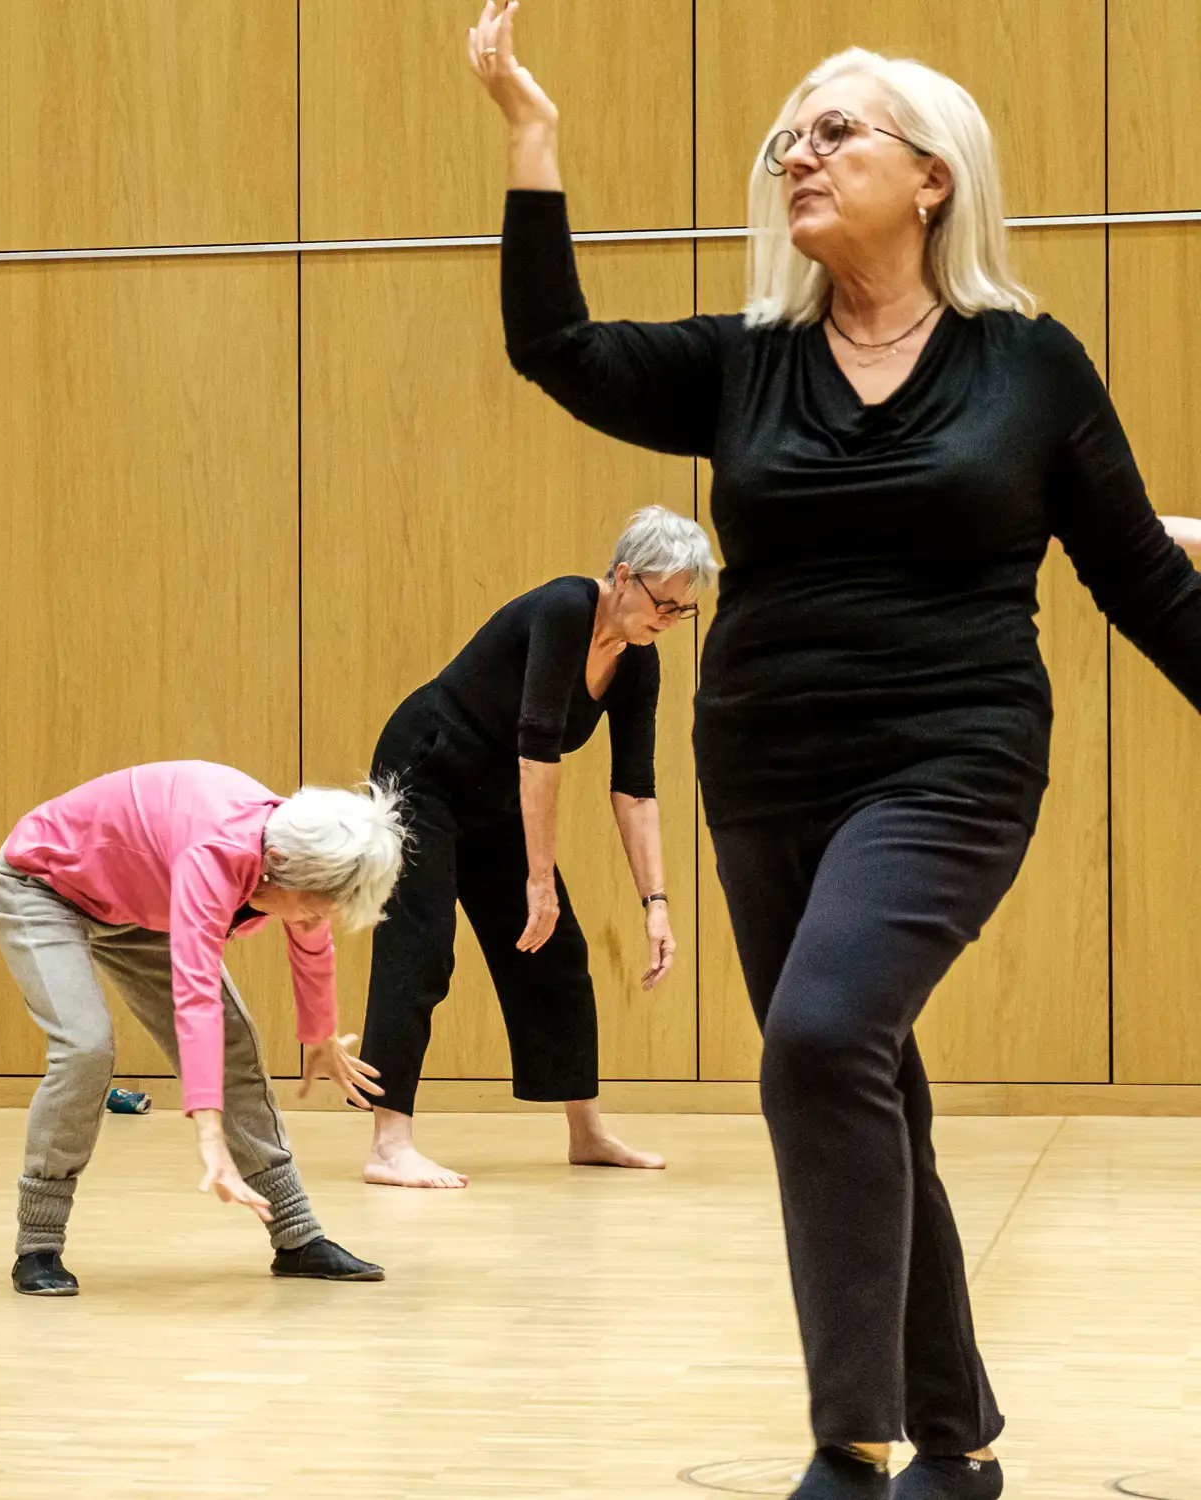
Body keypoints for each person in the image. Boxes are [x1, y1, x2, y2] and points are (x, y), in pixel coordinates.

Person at [468, 5, 1201, 1497]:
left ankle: (851, 1444)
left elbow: (1147, 584)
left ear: (933, 176)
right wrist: (528, 137)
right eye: (785, 139)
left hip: (953, 761)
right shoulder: (748, 361)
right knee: (865, 1076)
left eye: (835, 130)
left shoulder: (1029, 366)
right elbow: (553, 345)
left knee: (817, 1042)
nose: (796, 153)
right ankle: (960, 1442)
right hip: (767, 769)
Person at [360, 505, 717, 1188]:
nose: (667, 621)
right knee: (422, 943)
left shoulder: (639, 664)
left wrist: (658, 904)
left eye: (682, 613)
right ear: (622, 576)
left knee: (555, 947)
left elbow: (636, 788)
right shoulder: (562, 610)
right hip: (424, 769)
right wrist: (539, 877)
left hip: (496, 793)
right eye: (662, 603)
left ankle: (587, 1132)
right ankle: (388, 1142)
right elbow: (538, 751)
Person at [0, 761, 404, 1295]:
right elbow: (196, 999)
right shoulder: (216, 853)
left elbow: (310, 935)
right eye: (311, 906)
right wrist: (208, 1133)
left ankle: (297, 1236)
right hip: (44, 886)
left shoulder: (301, 848)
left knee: (234, 1047)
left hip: (139, 903)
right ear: (274, 865)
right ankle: (38, 1243)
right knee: (85, 1048)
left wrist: (319, 1036)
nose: (313, 918)